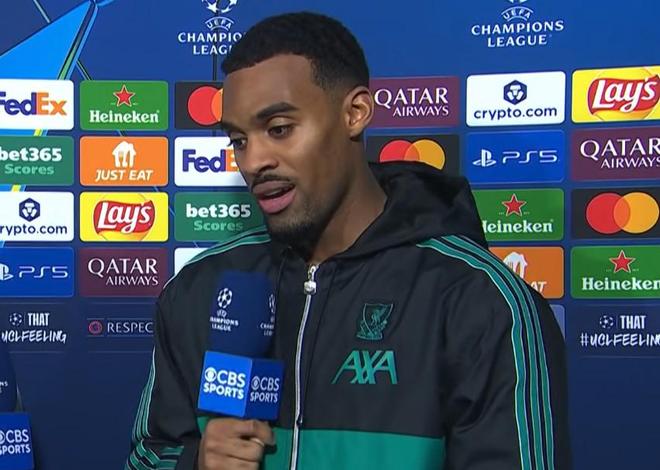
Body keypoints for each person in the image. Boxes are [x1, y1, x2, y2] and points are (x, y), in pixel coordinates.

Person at [125, 11, 570, 470]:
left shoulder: (478, 300)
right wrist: (196, 462)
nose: (254, 161)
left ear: (355, 113)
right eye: (239, 140)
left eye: (279, 129)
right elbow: (148, 456)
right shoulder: (201, 288)